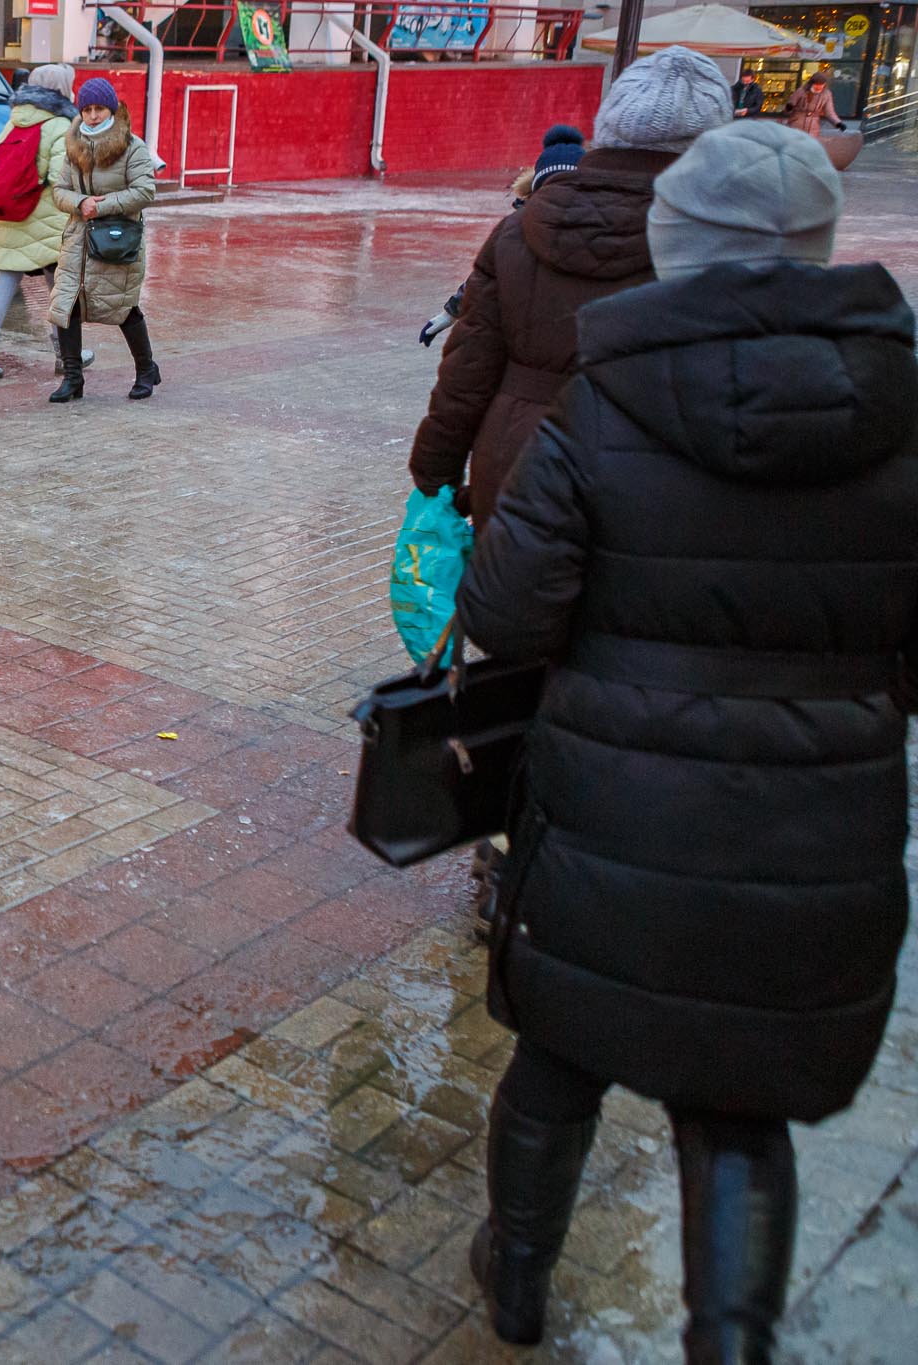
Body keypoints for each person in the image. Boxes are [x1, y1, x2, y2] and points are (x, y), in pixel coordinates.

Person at [456, 120, 917, 1361]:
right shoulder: (903, 411)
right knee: (737, 1110)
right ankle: (730, 1339)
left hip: (612, 813)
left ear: (673, 247)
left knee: (557, 1062)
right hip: (817, 833)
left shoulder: (603, 403)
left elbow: (501, 616)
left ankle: (512, 1280)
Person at [408, 45, 732, 532]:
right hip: (652, 485)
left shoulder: (518, 231)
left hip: (514, 469)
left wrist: (435, 477)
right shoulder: (722, 239)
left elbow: (469, 369)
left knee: (509, 602)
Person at [0, 64, 91, 382]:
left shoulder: (13, 123)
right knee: (58, 290)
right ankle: (66, 355)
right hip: (46, 222)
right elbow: (59, 178)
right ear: (63, 89)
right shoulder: (61, 125)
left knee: (4, 284)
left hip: (10, 217)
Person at [419, 125, 587, 348]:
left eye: (571, 187)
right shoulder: (516, 229)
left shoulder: (600, 228)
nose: (562, 197)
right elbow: (486, 276)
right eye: (553, 188)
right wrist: (450, 313)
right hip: (527, 345)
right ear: (537, 191)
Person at [48, 78, 160, 403]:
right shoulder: (74, 145)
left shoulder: (132, 146)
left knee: (123, 307)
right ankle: (73, 379)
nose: (93, 116)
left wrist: (100, 205)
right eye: (87, 109)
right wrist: (79, 203)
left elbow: (145, 191)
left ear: (111, 109)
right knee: (66, 306)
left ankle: (146, 369)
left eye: (99, 109)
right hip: (78, 241)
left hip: (116, 240)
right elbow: (59, 191)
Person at [783, 68, 846, 136]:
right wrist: (789, 108)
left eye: (821, 86)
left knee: (809, 144)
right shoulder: (801, 91)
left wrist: (838, 123)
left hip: (812, 127)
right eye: (816, 86)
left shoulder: (826, 94)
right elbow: (788, 108)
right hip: (796, 124)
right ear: (811, 84)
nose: (818, 88)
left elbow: (829, 112)